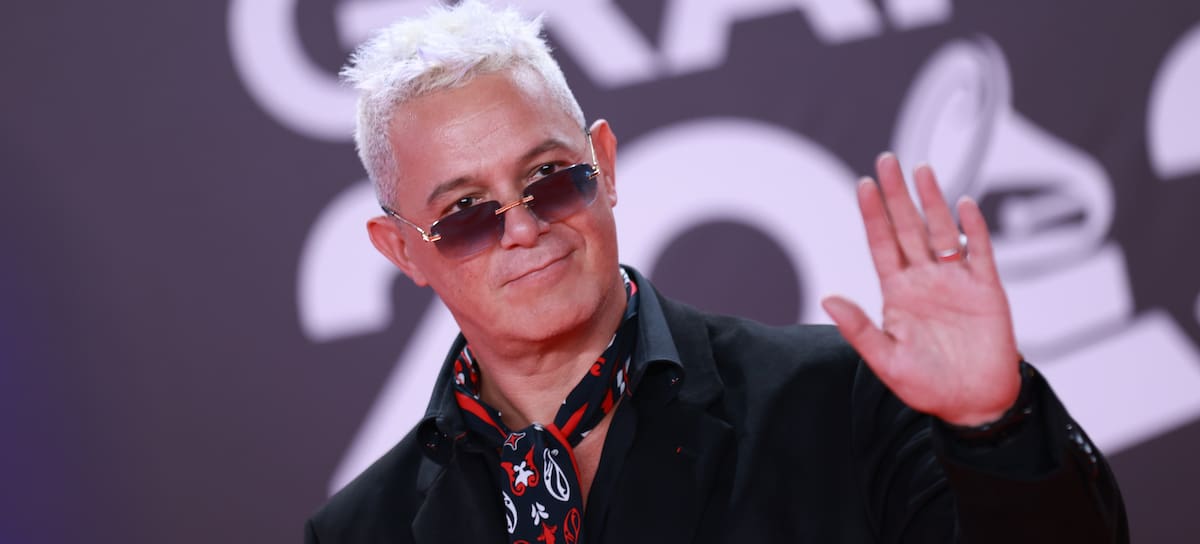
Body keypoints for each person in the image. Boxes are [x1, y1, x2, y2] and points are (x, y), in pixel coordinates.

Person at [305, 2, 1127, 542]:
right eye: (466, 214)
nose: (523, 228)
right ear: (402, 250)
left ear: (604, 165)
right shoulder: (358, 533)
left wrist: (993, 428)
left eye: (551, 177)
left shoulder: (844, 399)